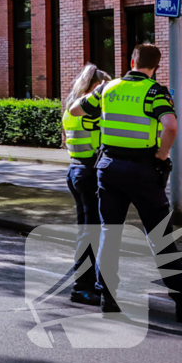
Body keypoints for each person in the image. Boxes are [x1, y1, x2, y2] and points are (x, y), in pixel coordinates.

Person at [70, 43, 182, 322]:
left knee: (109, 233)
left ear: (131, 62)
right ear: (155, 66)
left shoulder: (107, 89)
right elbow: (170, 126)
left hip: (108, 168)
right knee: (160, 237)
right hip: (143, 171)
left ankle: (108, 298)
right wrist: (162, 154)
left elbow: (74, 110)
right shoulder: (155, 92)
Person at [62, 64, 111, 306]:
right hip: (89, 173)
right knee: (91, 233)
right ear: (95, 88)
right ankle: (82, 287)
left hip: (76, 170)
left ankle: (87, 284)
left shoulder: (71, 107)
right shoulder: (90, 111)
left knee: (87, 231)